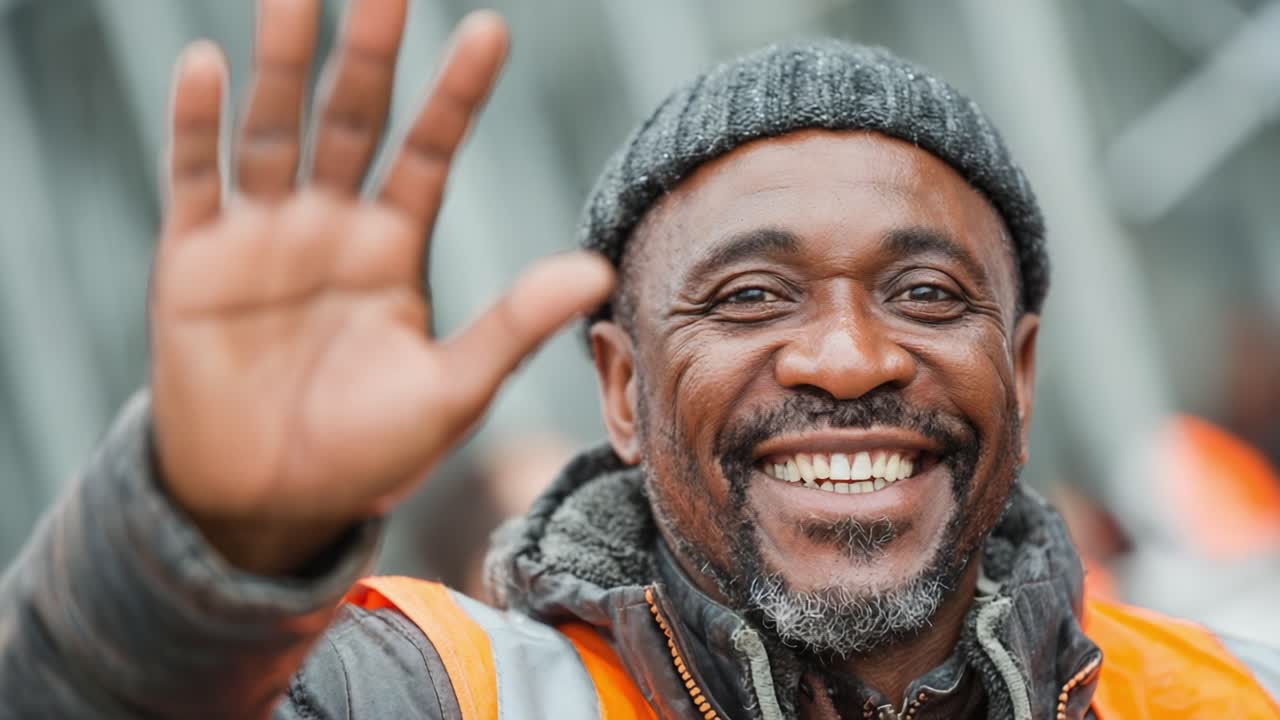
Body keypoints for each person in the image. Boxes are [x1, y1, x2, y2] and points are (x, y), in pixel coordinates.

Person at [2, 0, 1278, 717]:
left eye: (928, 293)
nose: (845, 356)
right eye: (750, 295)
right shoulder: (442, 698)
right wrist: (187, 561)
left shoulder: (1227, 696)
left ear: (1023, 367)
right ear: (618, 388)